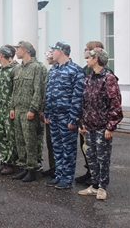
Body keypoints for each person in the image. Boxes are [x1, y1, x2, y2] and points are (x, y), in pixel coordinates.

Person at [78, 48, 123, 200]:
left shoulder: (108, 78)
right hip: (89, 126)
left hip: (102, 127)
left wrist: (110, 126)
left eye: (89, 57)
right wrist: (82, 123)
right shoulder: (89, 78)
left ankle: (102, 187)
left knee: (103, 158)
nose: (86, 59)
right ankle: (95, 185)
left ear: (96, 58)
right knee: (91, 157)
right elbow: (84, 102)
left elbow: (115, 104)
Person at [44, 41, 85, 190]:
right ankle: (59, 175)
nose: (51, 53)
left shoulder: (75, 71)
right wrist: (47, 112)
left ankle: (67, 178)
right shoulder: (54, 70)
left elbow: (77, 97)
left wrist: (74, 118)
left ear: (61, 52)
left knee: (68, 149)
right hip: (54, 115)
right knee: (57, 147)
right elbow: (48, 94)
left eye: (53, 50)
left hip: (66, 116)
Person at [9, 41, 47, 183]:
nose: (16, 51)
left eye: (17, 49)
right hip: (18, 109)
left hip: (28, 111)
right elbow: (14, 90)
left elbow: (39, 90)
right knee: (20, 140)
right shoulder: (18, 69)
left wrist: (33, 109)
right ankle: (24, 166)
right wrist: (12, 107)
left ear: (25, 50)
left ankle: (32, 168)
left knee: (30, 140)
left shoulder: (37, 67)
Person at [76, 41, 107, 186]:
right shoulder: (86, 71)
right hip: (87, 120)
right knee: (87, 149)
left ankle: (99, 182)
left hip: (99, 122)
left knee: (99, 153)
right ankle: (90, 173)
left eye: (87, 50)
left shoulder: (106, 74)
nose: (85, 53)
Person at [0, 46, 18, 175]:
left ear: (2, 55)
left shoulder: (14, 70)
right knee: (0, 135)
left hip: (9, 109)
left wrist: (13, 108)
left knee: (10, 136)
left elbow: (16, 91)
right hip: (0, 108)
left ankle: (11, 163)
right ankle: (3, 161)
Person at [40, 49, 57, 178]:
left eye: (48, 56)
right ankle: (53, 167)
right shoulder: (51, 71)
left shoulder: (63, 71)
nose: (47, 58)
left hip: (59, 115)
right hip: (49, 113)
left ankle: (59, 170)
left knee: (58, 145)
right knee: (50, 142)